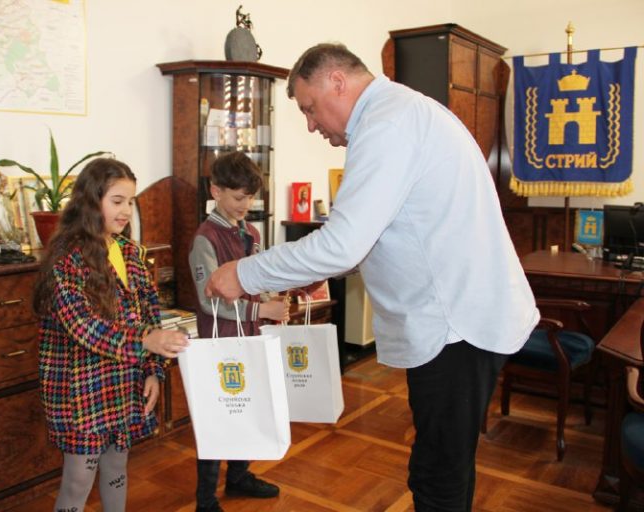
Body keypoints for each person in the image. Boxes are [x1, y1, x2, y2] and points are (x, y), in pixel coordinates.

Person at [204, 43, 539, 512]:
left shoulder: (387, 126)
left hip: (455, 325)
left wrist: (244, 273)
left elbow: (342, 243)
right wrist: (319, 269)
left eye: (310, 108)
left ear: (337, 82)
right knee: (448, 464)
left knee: (438, 474)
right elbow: (390, 233)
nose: (311, 125)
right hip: (462, 317)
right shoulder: (399, 113)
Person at [33, 157, 190, 512]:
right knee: (78, 479)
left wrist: (153, 370)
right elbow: (83, 326)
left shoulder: (130, 253)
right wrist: (145, 340)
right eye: (117, 201)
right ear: (91, 201)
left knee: (117, 467)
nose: (126, 211)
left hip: (123, 382)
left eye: (130, 201)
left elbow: (150, 314)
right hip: (81, 389)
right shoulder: (66, 259)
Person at [189, 151, 290, 512]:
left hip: (249, 338)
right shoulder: (205, 238)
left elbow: (254, 283)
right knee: (217, 416)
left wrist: (271, 299)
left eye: (250, 197)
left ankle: (238, 476)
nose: (245, 205)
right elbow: (209, 302)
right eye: (238, 197)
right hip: (220, 343)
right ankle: (205, 499)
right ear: (215, 191)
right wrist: (261, 309)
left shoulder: (252, 233)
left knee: (247, 407)